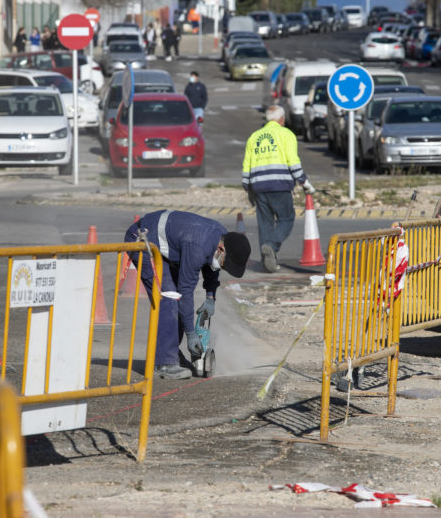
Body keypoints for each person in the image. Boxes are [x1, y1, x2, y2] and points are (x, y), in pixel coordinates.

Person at [124, 211, 251, 379]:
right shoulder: (198, 245)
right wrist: (191, 335)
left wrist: (210, 297)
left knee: (176, 299)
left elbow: (211, 267)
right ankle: (164, 362)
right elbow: (185, 292)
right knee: (170, 297)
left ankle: (170, 354)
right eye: (225, 264)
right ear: (221, 249)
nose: (224, 268)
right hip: (143, 240)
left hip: (167, 247)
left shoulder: (220, 237)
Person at [242, 105, 314, 272]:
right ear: (281, 119)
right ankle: (271, 246)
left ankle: (267, 262)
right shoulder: (286, 134)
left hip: (258, 185)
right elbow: (292, 160)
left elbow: (247, 163)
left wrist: (247, 185)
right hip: (279, 184)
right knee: (286, 218)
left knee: (265, 223)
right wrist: (304, 182)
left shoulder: (255, 136)